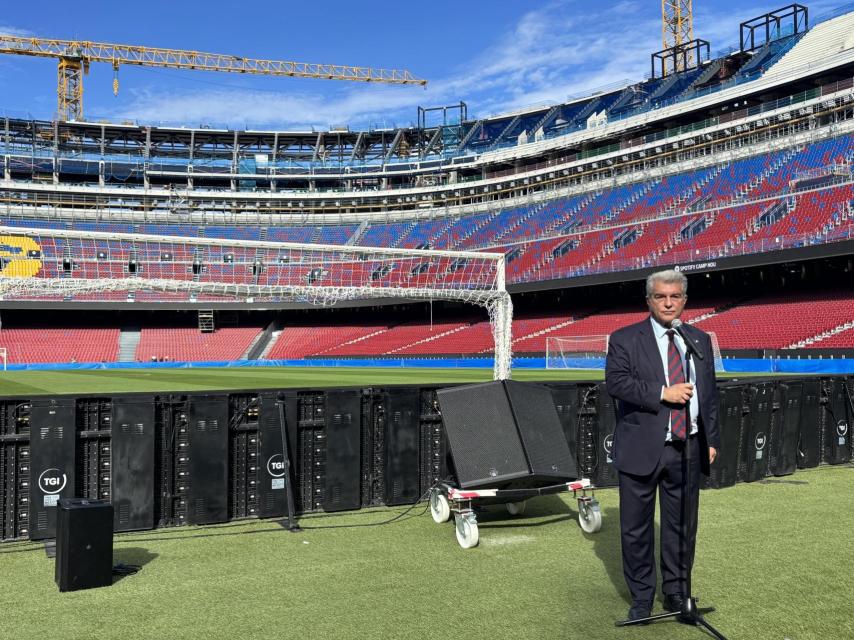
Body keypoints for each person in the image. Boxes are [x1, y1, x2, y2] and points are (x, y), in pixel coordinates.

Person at [605, 269, 720, 623]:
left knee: (682, 527)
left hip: (687, 447)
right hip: (642, 448)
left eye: (675, 296)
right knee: (635, 529)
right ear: (649, 300)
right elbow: (617, 382)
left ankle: (677, 594)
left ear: (684, 300)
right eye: (660, 296)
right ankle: (642, 598)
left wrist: (711, 438)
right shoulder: (625, 339)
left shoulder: (698, 339)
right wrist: (662, 394)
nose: (668, 302)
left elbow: (710, 394)